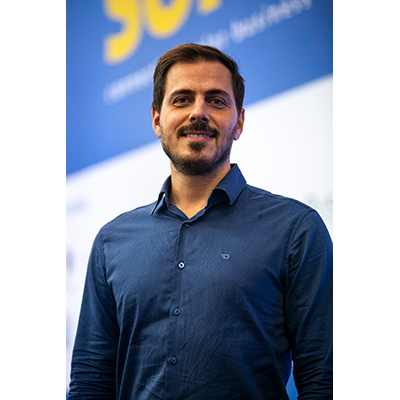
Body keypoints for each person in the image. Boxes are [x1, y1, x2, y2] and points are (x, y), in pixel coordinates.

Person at [69, 43, 333, 399]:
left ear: (239, 122)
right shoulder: (111, 242)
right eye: (181, 100)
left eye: (217, 101)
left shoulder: (296, 230)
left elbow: (323, 379)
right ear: (157, 120)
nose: (198, 112)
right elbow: (91, 380)